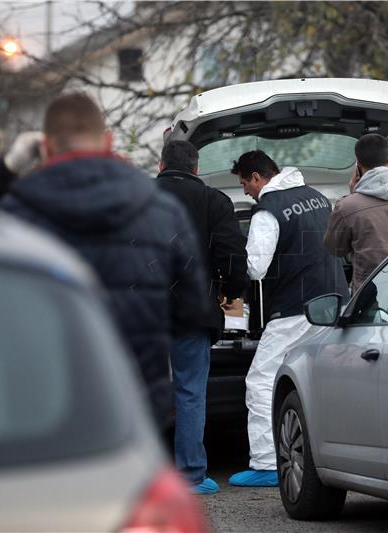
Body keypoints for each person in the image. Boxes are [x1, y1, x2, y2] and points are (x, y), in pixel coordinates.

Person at [0, 94, 210, 487]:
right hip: (133, 414)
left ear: (45, 146)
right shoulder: (160, 211)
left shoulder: (13, 214)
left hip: (44, 415)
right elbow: (193, 311)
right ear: (109, 142)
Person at [229, 150, 348, 487]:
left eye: (244, 185)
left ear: (256, 177)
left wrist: (231, 254)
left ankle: (267, 463)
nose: (245, 193)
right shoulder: (318, 198)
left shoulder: (268, 211)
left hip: (295, 308)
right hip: (335, 302)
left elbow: (255, 267)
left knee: (261, 380)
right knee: (318, 381)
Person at [155, 140, 248, 495]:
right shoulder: (215, 201)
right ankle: (191, 475)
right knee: (191, 392)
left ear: (161, 166)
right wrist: (230, 292)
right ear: (197, 169)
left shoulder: (138, 198)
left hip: (144, 309)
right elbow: (232, 253)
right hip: (194, 310)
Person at [323, 133, 388, 292]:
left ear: (358, 165)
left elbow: (335, 249)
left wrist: (353, 195)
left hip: (370, 299)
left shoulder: (347, 207)